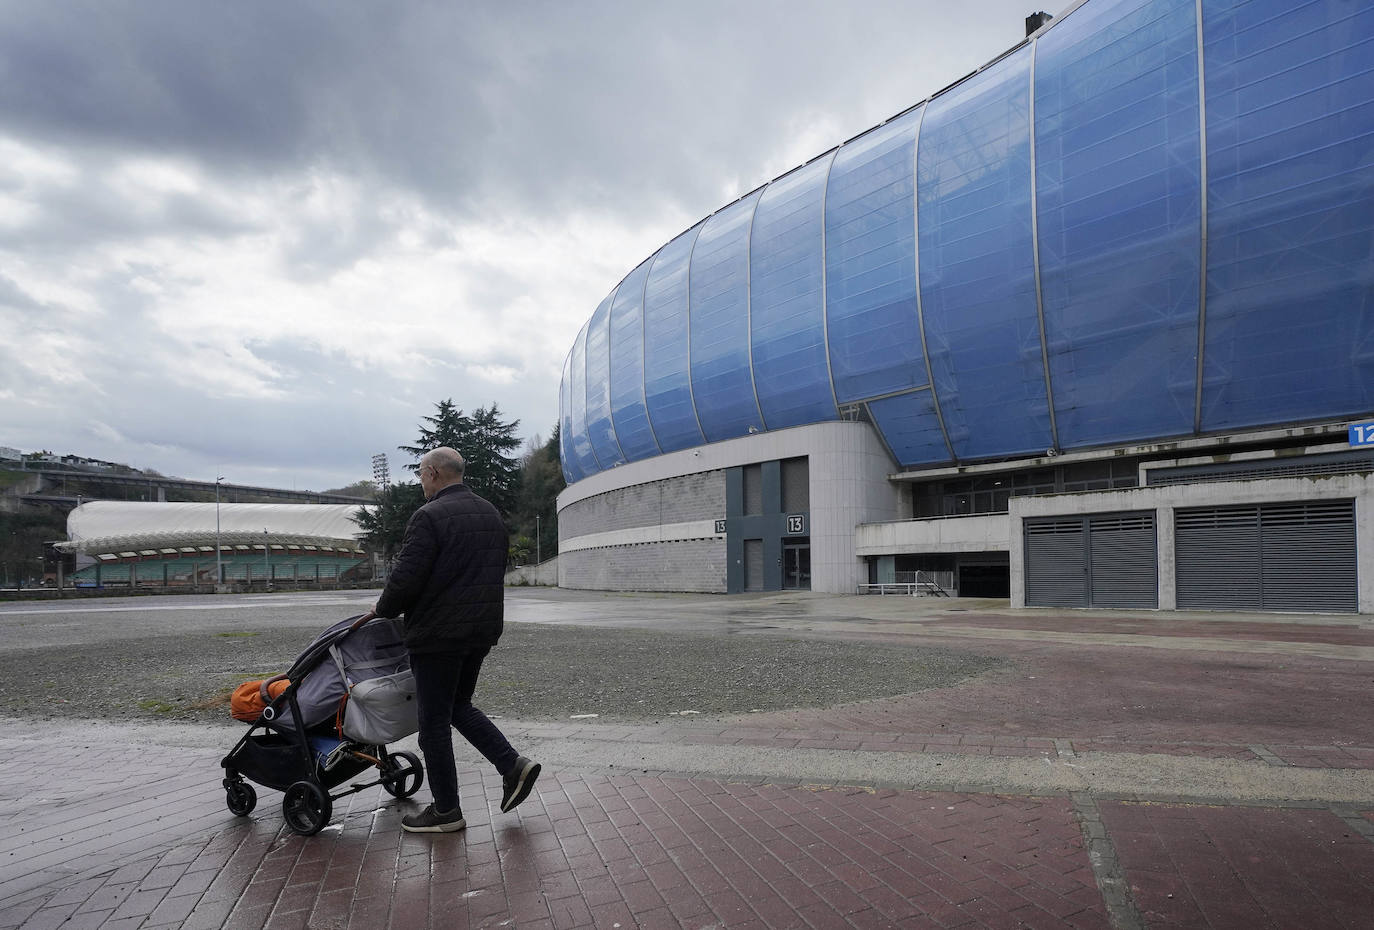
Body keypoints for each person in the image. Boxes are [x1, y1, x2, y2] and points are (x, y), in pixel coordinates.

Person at [360, 446, 540, 833]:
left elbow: (407, 576)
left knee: (434, 724)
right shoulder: (490, 513)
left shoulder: (429, 516)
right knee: (458, 704)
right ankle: (512, 766)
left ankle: (446, 811)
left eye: (422, 475)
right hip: (480, 631)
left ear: (434, 474)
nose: (421, 482)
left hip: (438, 634)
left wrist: (382, 609)